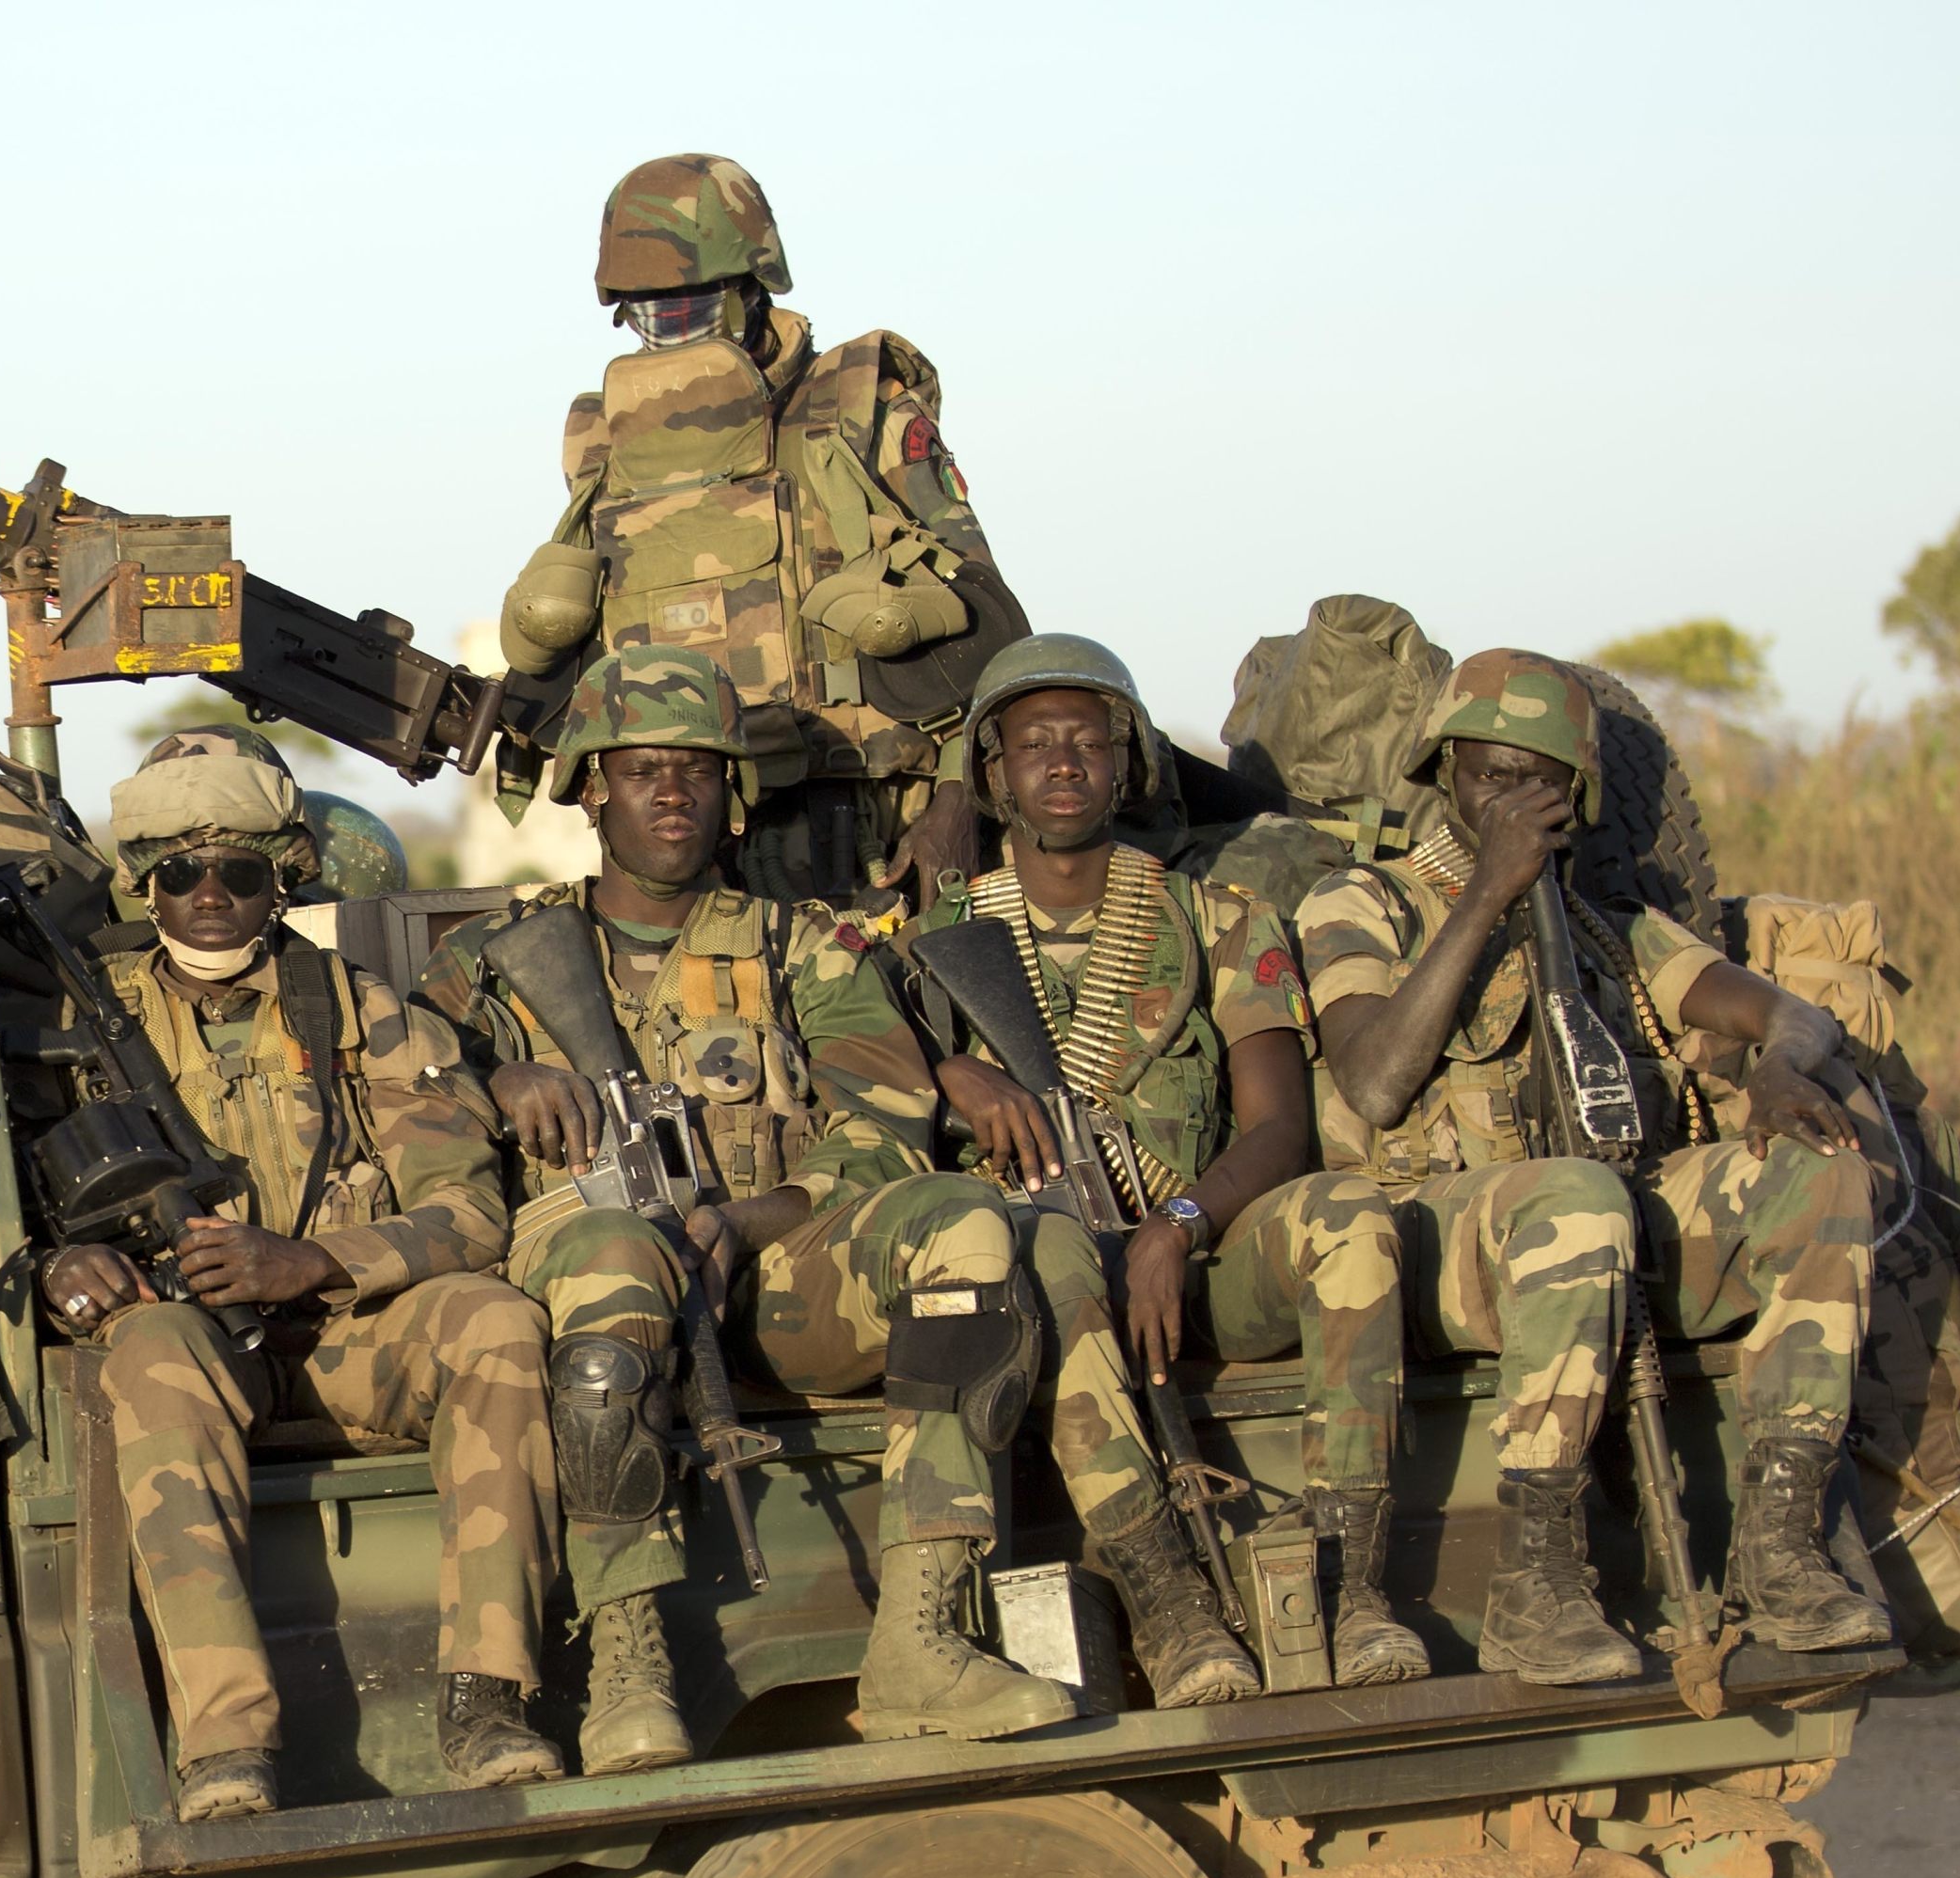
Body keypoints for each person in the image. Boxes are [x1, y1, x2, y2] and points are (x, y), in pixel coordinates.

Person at [421, 643, 1068, 1771]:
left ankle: (920, 1637)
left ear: (735, 797)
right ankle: (630, 1658)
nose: (672, 794)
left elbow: (883, 1133)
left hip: (763, 1278)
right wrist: (489, 1080)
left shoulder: (802, 947)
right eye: (641, 771)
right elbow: (395, 1099)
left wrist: (753, 1220)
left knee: (964, 1217)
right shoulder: (488, 961)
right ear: (588, 788)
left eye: (701, 771)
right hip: (588, 1288)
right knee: (619, 1250)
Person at [1295, 651, 1890, 1679]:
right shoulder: (1361, 904)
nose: (1513, 803)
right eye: (1488, 778)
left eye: (1542, 785)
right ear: (1444, 776)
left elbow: (1789, 1011)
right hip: (1427, 1242)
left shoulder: (1606, 926)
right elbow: (1377, 1084)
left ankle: (1781, 1543)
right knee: (1577, 1197)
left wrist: (1784, 1071)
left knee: (1826, 1166)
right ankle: (1538, 1582)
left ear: (1579, 798)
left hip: (1596, 1225)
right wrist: (1490, 889)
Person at [31, 745, 567, 1823]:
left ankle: (488, 1696)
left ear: (287, 874)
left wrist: (315, 1262)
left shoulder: (367, 1013)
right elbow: (15, 1227)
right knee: (145, 1353)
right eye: (181, 875)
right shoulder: (75, 1033)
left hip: (348, 1334)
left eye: (238, 869)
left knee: (499, 1317)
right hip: (190, 1350)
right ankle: (226, 1742)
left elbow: (469, 1213)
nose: (212, 896)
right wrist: (63, 1271)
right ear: (145, 885)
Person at [899, 636, 1423, 1703]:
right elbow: (869, 1100)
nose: (1060, 764)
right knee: (1042, 1254)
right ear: (991, 775)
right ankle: (1172, 1601)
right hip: (1047, 1282)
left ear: (1128, 764)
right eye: (1032, 745)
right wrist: (950, 1071)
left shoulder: (1216, 920)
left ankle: (1358, 1581)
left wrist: (1177, 1220)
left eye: (1087, 743)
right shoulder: (930, 947)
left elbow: (1281, 1128)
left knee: (1350, 1214)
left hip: (1199, 1257)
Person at [490, 151, 1024, 907]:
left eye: (689, 312)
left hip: (877, 825)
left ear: (753, 287)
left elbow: (993, 640)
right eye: (649, 316)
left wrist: (953, 807)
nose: (669, 338)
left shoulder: (857, 410)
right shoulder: (603, 448)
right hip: (699, 848)